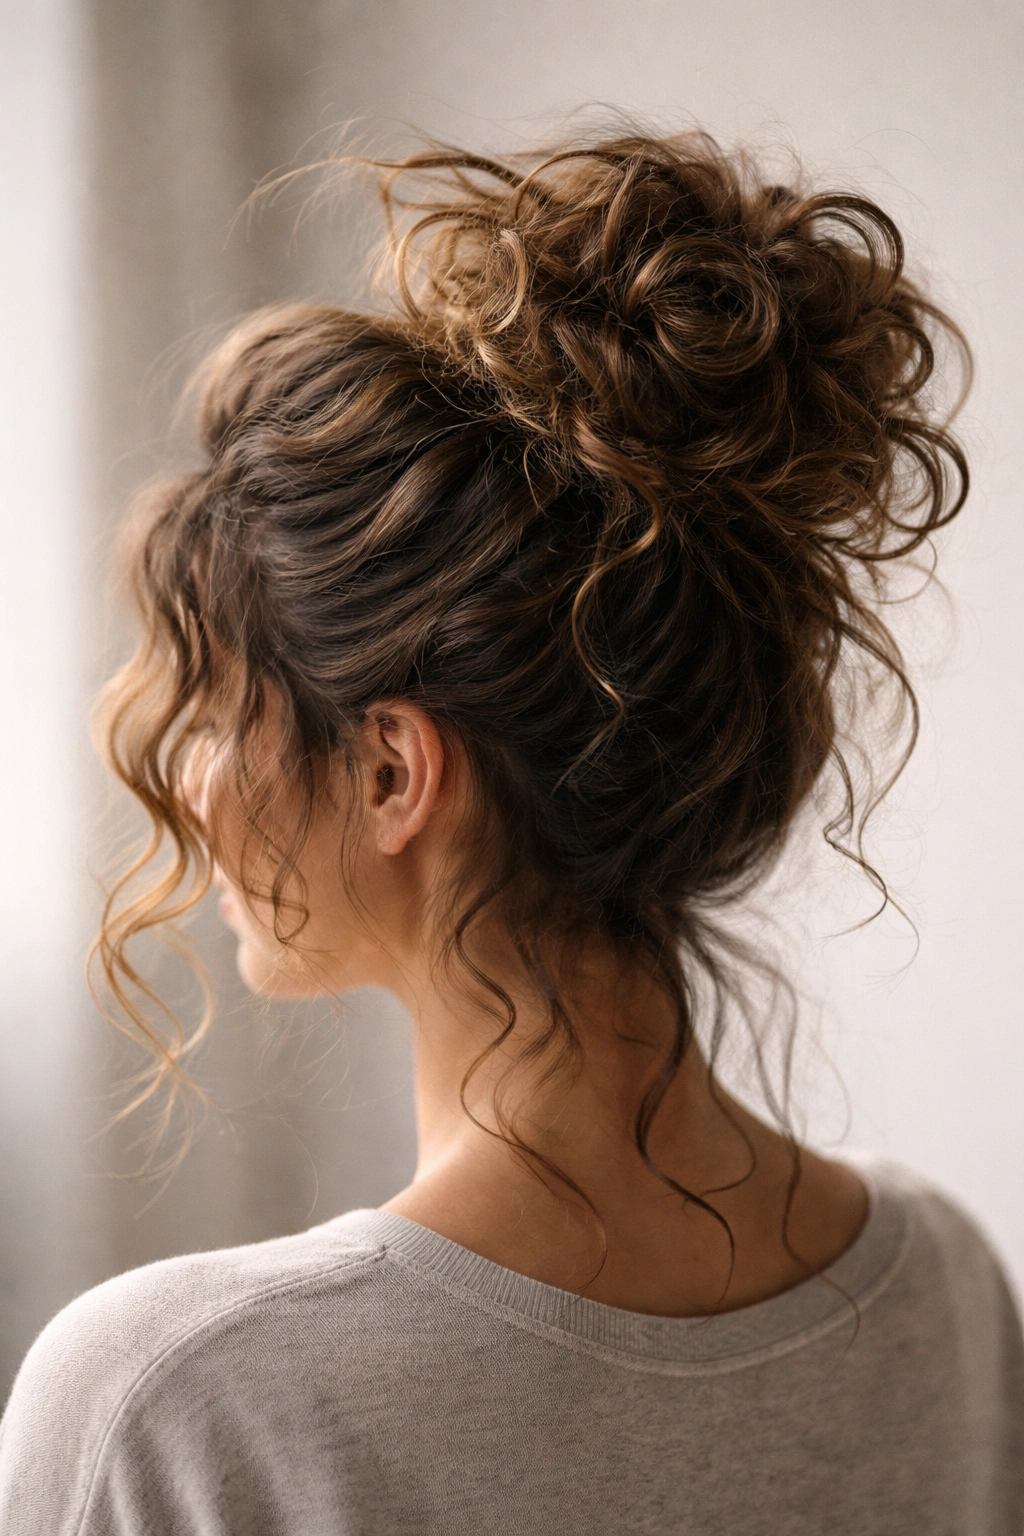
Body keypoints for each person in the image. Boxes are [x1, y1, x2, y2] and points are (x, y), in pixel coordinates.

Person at [0, 124, 1020, 1534]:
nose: (185, 785)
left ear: (390, 774)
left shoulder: (180, 1402)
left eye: (216, 710)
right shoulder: (941, 1295)